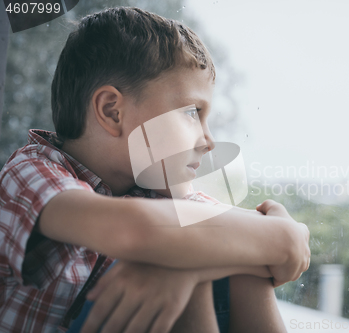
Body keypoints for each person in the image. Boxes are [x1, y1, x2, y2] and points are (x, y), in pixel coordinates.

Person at [0, 6, 311, 333]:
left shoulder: (161, 194)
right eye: (193, 112)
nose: (208, 141)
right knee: (189, 249)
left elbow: (286, 247)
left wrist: (185, 270)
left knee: (224, 259)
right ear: (112, 112)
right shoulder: (32, 171)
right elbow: (137, 231)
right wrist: (191, 260)